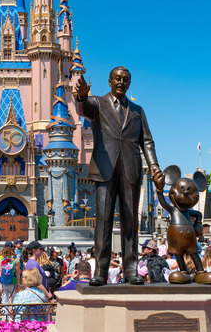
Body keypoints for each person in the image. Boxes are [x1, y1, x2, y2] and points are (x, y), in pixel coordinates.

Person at [75, 67, 162, 286]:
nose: (121, 82)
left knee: (130, 222)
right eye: (117, 79)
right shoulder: (98, 103)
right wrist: (82, 96)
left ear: (129, 83)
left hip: (131, 170)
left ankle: (131, 270)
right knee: (103, 221)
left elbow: (147, 141)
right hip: (105, 169)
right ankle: (101, 272)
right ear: (110, 81)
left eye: (125, 79)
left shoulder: (138, 111)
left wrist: (154, 166)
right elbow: (83, 109)